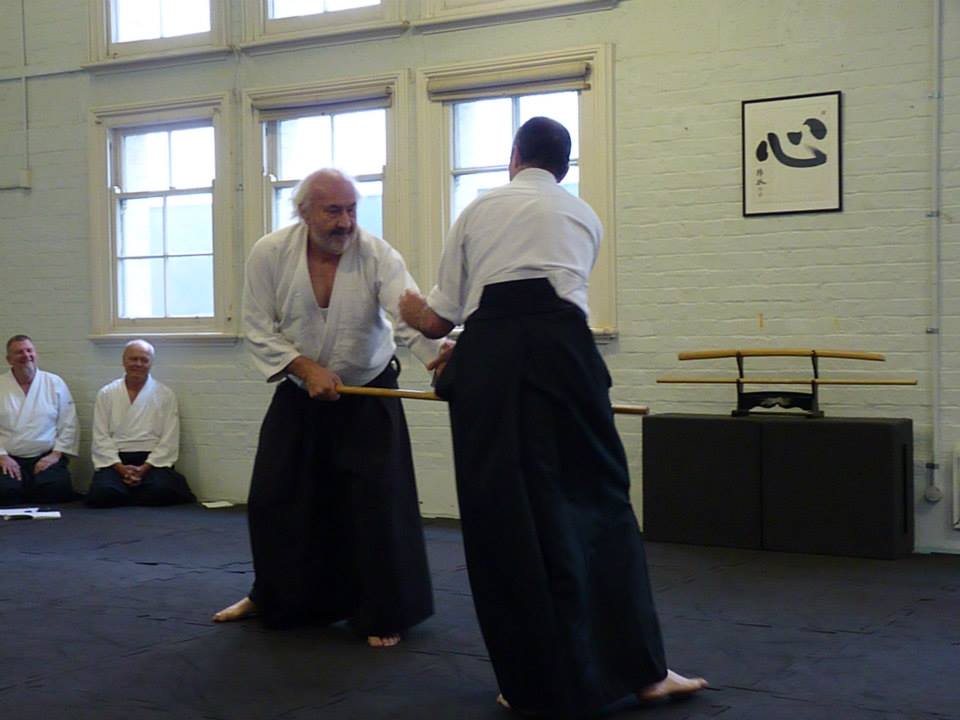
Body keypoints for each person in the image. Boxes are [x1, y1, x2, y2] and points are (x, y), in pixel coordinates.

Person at [399, 117, 707, 717]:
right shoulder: (584, 216)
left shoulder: (479, 208)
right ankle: (643, 671)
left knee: (503, 521)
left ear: (514, 156)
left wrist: (402, 300)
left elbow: (438, 321)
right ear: (564, 167)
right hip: (567, 359)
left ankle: (528, 684)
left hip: (490, 365)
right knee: (599, 507)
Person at [213, 168, 437, 648]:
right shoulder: (270, 253)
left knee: (376, 502)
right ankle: (272, 596)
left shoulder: (377, 254)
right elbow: (257, 327)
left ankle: (383, 612)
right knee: (275, 494)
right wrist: (305, 368)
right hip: (301, 388)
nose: (345, 222)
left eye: (351, 210)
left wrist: (440, 360)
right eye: (333, 211)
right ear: (304, 212)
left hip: (368, 388)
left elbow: (407, 318)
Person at [86, 339, 195, 508]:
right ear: (124, 361)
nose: (138, 364)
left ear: (151, 363)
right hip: (116, 460)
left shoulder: (165, 394)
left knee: (162, 490)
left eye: (144, 360)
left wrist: (144, 468)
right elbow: (100, 436)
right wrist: (121, 468)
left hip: (151, 462)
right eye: (133, 359)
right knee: (103, 493)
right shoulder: (107, 393)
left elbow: (169, 439)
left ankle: (128, 491)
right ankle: (131, 490)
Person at [0, 335, 79, 505]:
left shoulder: (54, 382)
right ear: (9, 359)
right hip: (8, 458)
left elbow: (69, 423)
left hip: (46, 456)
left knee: (56, 489)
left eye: (29, 350)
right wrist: (2, 456)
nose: (26, 355)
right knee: (5, 492)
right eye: (19, 352)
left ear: (36, 354)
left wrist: (55, 455)